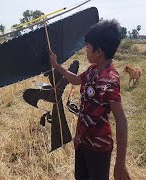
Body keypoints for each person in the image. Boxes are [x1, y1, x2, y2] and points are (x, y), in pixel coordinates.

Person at [49, 19, 130, 180]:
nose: (85, 50)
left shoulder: (110, 80)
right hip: (82, 143)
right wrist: (57, 66)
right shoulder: (92, 70)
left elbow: (121, 120)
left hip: (98, 149)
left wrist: (120, 163)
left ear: (98, 51)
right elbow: (75, 80)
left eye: (87, 46)